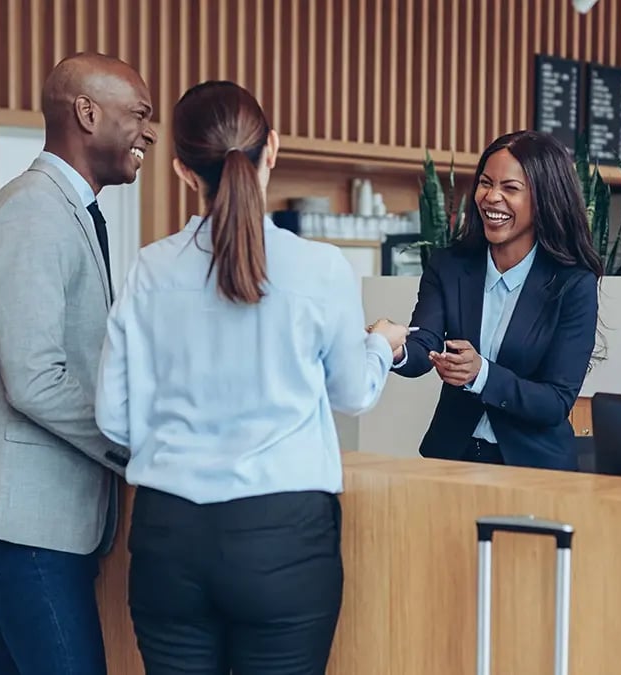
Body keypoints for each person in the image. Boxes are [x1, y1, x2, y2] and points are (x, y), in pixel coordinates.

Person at [94, 80, 407, 674]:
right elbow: (352, 393)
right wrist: (380, 346)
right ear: (273, 149)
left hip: (169, 536)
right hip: (284, 540)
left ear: (183, 170)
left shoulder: (150, 269)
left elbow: (112, 417)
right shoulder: (320, 268)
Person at [0, 53, 155, 674]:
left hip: (35, 520)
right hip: (22, 521)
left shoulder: (64, 210)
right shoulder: (34, 213)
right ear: (87, 113)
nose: (148, 132)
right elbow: (34, 378)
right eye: (139, 114)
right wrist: (137, 444)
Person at [385, 129, 602, 470]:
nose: (491, 197)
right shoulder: (449, 266)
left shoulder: (573, 284)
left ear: (545, 198)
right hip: (454, 460)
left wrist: (482, 374)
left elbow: (556, 401)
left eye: (510, 188)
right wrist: (393, 348)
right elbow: (424, 343)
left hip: (534, 469)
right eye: (485, 183)